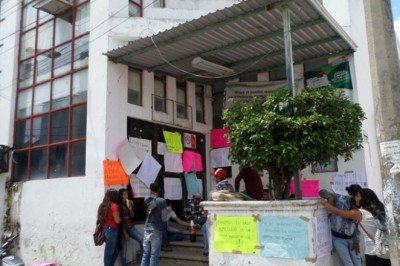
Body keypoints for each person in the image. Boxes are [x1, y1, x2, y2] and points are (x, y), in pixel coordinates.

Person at [322, 188, 391, 266]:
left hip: (373, 253)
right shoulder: (379, 210)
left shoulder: (360, 213)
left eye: (358, 197)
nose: (355, 198)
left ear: (365, 198)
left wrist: (326, 204)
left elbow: (339, 212)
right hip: (386, 251)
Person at [319, 185, 363, 266]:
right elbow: (322, 191)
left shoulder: (359, 207)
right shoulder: (340, 199)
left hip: (352, 238)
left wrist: (356, 241)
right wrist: (329, 198)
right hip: (338, 239)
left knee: (357, 261)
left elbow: (357, 225)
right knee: (347, 263)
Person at [141, 183, 167, 266]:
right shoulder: (162, 201)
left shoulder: (145, 199)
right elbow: (164, 217)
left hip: (147, 228)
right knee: (154, 255)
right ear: (159, 190)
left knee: (145, 254)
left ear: (150, 189)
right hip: (156, 228)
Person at [118, 188, 143, 266]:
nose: (126, 196)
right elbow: (119, 222)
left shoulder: (128, 203)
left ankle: (144, 260)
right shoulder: (118, 206)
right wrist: (125, 233)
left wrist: (130, 208)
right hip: (123, 229)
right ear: (120, 195)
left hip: (130, 226)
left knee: (142, 239)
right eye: (124, 194)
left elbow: (132, 216)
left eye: (127, 194)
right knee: (124, 250)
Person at [97, 189, 121, 266]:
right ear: (114, 196)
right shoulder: (114, 206)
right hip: (112, 230)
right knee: (109, 252)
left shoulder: (103, 205)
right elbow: (117, 221)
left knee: (114, 250)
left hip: (106, 229)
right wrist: (121, 218)